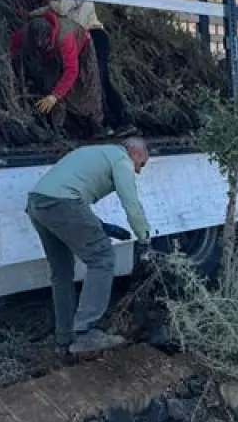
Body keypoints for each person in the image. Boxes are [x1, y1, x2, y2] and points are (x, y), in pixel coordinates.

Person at [26, 138, 151, 356]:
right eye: (142, 164)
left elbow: (71, 192)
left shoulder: (100, 152)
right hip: (61, 203)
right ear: (134, 153)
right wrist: (144, 238)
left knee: (62, 272)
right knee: (103, 258)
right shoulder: (122, 160)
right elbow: (131, 204)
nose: (139, 171)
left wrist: (102, 226)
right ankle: (85, 331)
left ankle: (65, 340)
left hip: (37, 203)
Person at [48, 0, 131, 133]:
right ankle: (115, 122)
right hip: (89, 39)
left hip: (93, 36)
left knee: (97, 80)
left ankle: (115, 121)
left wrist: (49, 2)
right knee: (96, 80)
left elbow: (61, 9)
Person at [9, 9, 104, 135]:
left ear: (49, 37)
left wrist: (55, 96)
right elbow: (12, 42)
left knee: (89, 87)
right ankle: (57, 127)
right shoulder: (30, 32)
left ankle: (97, 124)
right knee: (51, 84)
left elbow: (71, 70)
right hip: (53, 55)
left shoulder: (65, 38)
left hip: (82, 48)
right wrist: (8, 57)